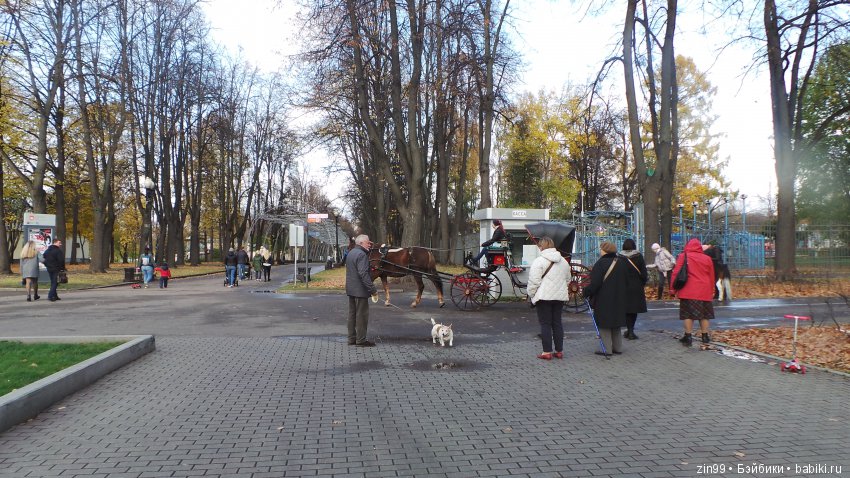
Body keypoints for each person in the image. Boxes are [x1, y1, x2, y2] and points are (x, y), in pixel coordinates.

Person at [526, 236, 571, 360]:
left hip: (544, 297)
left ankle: (547, 352)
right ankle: (559, 351)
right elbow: (568, 279)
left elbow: (534, 281)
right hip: (559, 297)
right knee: (557, 323)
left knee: (545, 324)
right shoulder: (563, 261)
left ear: (541, 247)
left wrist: (531, 294)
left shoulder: (539, 261)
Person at [582, 241, 628, 356]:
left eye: (601, 248)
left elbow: (595, 283)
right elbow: (627, 280)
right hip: (620, 297)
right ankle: (618, 347)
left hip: (604, 298)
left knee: (604, 323)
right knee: (616, 323)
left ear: (604, 250)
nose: (599, 250)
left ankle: (606, 349)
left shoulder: (601, 263)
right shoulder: (622, 262)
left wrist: (586, 292)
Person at [670, 238, 716, 345]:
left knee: (688, 315)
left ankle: (688, 336)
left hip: (688, 291)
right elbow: (711, 275)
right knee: (705, 315)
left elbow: (676, 273)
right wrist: (712, 289)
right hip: (704, 290)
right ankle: (705, 336)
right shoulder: (707, 258)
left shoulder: (683, 256)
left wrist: (673, 289)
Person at [345, 234, 378, 347]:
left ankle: (351, 339)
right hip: (360, 290)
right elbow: (363, 274)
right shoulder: (362, 255)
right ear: (361, 243)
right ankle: (361, 340)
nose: (369, 244)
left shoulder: (351, 253)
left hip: (351, 289)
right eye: (368, 242)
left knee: (352, 315)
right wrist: (373, 289)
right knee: (362, 316)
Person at [618, 239, 648, 340]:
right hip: (636, 285)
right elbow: (644, 273)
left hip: (623, 285)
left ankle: (629, 329)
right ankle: (631, 331)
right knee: (634, 309)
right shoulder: (638, 256)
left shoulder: (619, 257)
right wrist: (642, 282)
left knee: (626, 309)